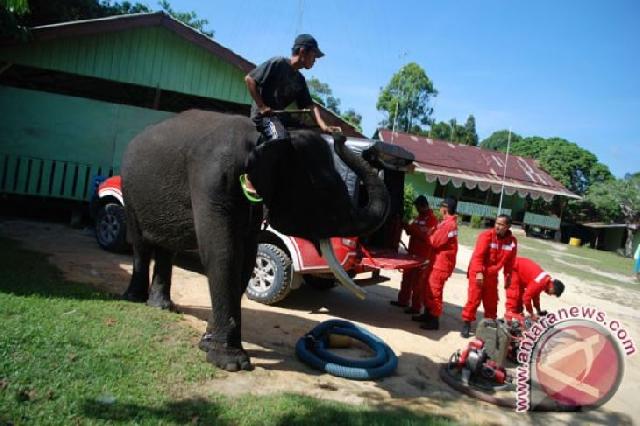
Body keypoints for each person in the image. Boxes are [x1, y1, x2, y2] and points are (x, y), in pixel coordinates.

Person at [241, 34, 340, 202]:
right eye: (314, 55)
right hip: (263, 115)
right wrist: (263, 106)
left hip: (279, 117)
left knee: (305, 136)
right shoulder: (278, 63)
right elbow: (249, 79)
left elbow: (310, 105)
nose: (315, 60)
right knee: (279, 137)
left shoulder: (300, 80)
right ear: (302, 52)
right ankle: (251, 175)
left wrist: (323, 126)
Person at [461, 214, 517, 338]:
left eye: (501, 224)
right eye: (497, 223)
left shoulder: (512, 242)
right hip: (478, 272)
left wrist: (508, 277)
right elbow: (478, 257)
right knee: (474, 299)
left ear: (508, 226)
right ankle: (467, 323)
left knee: (491, 301)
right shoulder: (486, 236)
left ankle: (489, 325)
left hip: (492, 275)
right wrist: (479, 273)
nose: (498, 226)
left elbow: (510, 262)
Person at [414, 197, 459, 330]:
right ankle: (427, 314)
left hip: (441, 264)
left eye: (441, 207)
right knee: (427, 288)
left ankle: (434, 320)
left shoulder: (449, 225)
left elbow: (435, 241)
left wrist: (428, 234)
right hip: (437, 261)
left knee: (434, 291)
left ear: (445, 209)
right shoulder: (446, 223)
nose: (439, 210)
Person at [390, 195, 437, 313]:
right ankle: (403, 301)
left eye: (417, 206)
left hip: (422, 256)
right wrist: (405, 225)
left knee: (418, 283)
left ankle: (416, 307)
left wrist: (413, 229)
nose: (416, 209)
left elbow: (427, 237)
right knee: (406, 278)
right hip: (412, 254)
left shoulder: (431, 220)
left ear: (423, 206)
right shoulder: (418, 218)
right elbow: (411, 231)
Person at [504, 257, 565, 324]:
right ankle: (508, 320)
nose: (551, 295)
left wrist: (539, 311)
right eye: (553, 293)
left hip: (519, 270)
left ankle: (516, 319)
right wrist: (532, 314)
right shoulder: (539, 283)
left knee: (519, 303)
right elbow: (526, 298)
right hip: (513, 268)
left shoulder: (545, 281)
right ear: (552, 288)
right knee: (514, 296)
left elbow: (535, 296)